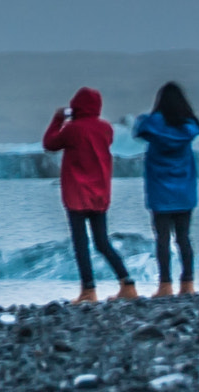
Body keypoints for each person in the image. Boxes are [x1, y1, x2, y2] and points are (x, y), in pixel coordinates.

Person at [43, 87, 138, 302]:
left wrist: (58, 119)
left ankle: (88, 291)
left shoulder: (73, 129)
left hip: (77, 194)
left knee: (81, 243)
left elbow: (50, 144)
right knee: (102, 241)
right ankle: (127, 283)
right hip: (100, 194)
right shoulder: (106, 129)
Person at [133, 81, 199, 296]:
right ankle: (188, 284)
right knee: (184, 238)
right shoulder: (188, 126)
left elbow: (139, 128)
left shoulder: (153, 126)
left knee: (162, 239)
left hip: (159, 192)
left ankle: (165, 285)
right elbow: (196, 128)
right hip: (184, 192)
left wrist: (151, 115)